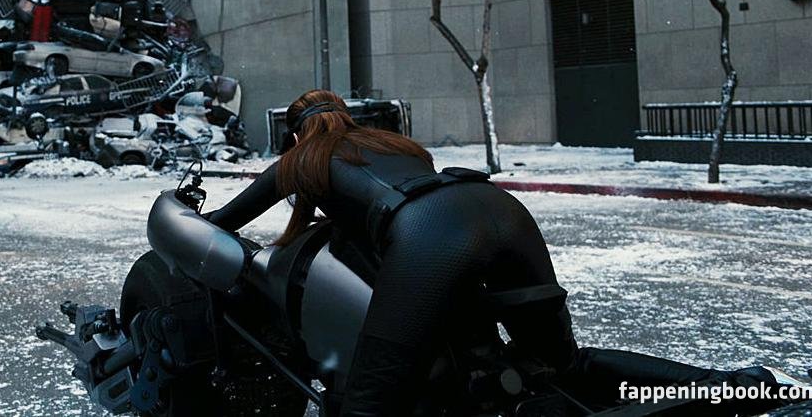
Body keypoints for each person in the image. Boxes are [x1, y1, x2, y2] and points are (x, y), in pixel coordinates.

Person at [208, 89, 767, 416]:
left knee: (369, 402)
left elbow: (224, 224)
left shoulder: (300, 160)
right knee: (562, 365)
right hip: (500, 210)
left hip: (428, 234)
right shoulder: (392, 144)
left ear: (294, 133)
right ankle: (738, 386)